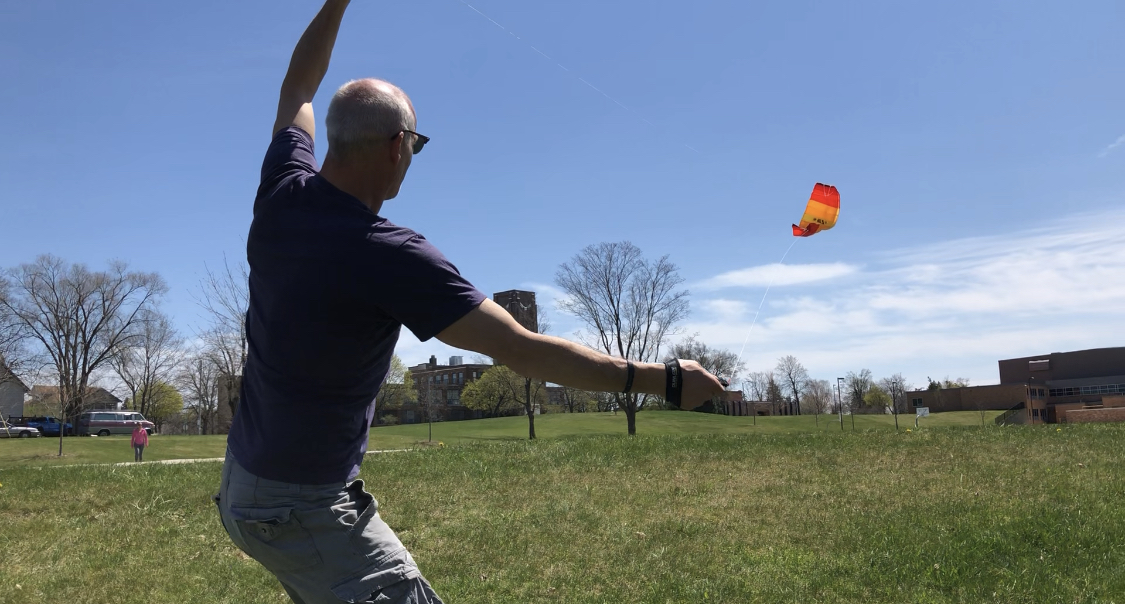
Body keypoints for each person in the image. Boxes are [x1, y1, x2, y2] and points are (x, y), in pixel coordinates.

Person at [212, 1, 726, 603]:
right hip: (300, 505)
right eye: (417, 144)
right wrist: (660, 380)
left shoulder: (282, 190)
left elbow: (299, 83)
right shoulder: (388, 254)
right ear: (397, 144)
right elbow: (521, 349)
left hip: (247, 482)